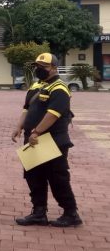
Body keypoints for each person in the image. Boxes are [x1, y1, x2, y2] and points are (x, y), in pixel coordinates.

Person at [12, 53, 82, 228]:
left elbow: (53, 115)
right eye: (37, 66)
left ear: (54, 68)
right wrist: (19, 127)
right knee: (34, 177)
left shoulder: (60, 88)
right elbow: (27, 109)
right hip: (33, 140)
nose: (39, 69)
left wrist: (37, 132)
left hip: (52, 140)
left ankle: (71, 214)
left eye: (43, 66)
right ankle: (38, 213)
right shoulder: (36, 86)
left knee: (58, 178)